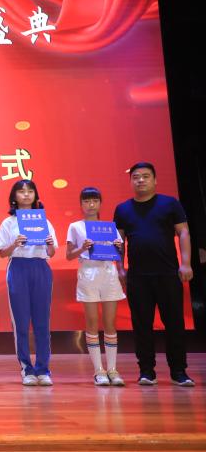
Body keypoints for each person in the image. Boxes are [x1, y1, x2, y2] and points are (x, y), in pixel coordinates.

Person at [114, 162, 194, 387]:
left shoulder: (170, 204)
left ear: (155, 180)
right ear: (131, 181)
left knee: (174, 323)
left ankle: (179, 371)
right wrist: (120, 268)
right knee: (142, 325)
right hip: (137, 276)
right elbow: (118, 241)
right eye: (136, 177)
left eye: (146, 176)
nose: (141, 180)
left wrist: (186, 264)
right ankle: (147, 371)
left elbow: (184, 232)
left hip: (168, 273)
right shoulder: (123, 209)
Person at [0, 179, 57, 386]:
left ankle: (43, 369)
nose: (26, 195)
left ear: (35, 195)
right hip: (18, 268)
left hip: (40, 268)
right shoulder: (9, 223)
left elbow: (51, 252)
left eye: (30, 191)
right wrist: (15, 244)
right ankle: (26, 368)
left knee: (42, 321)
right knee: (21, 322)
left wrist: (49, 244)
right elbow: (2, 252)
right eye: (22, 191)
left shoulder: (44, 221)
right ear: (14, 196)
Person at [65, 187, 126, 386]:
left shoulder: (109, 227)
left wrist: (118, 248)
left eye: (94, 201)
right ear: (81, 204)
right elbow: (69, 255)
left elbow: (118, 252)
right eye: (86, 201)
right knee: (92, 322)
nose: (91, 205)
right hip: (88, 274)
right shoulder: (75, 227)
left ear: (100, 203)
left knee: (110, 323)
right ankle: (98, 370)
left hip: (108, 274)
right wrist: (82, 248)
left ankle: (113, 370)